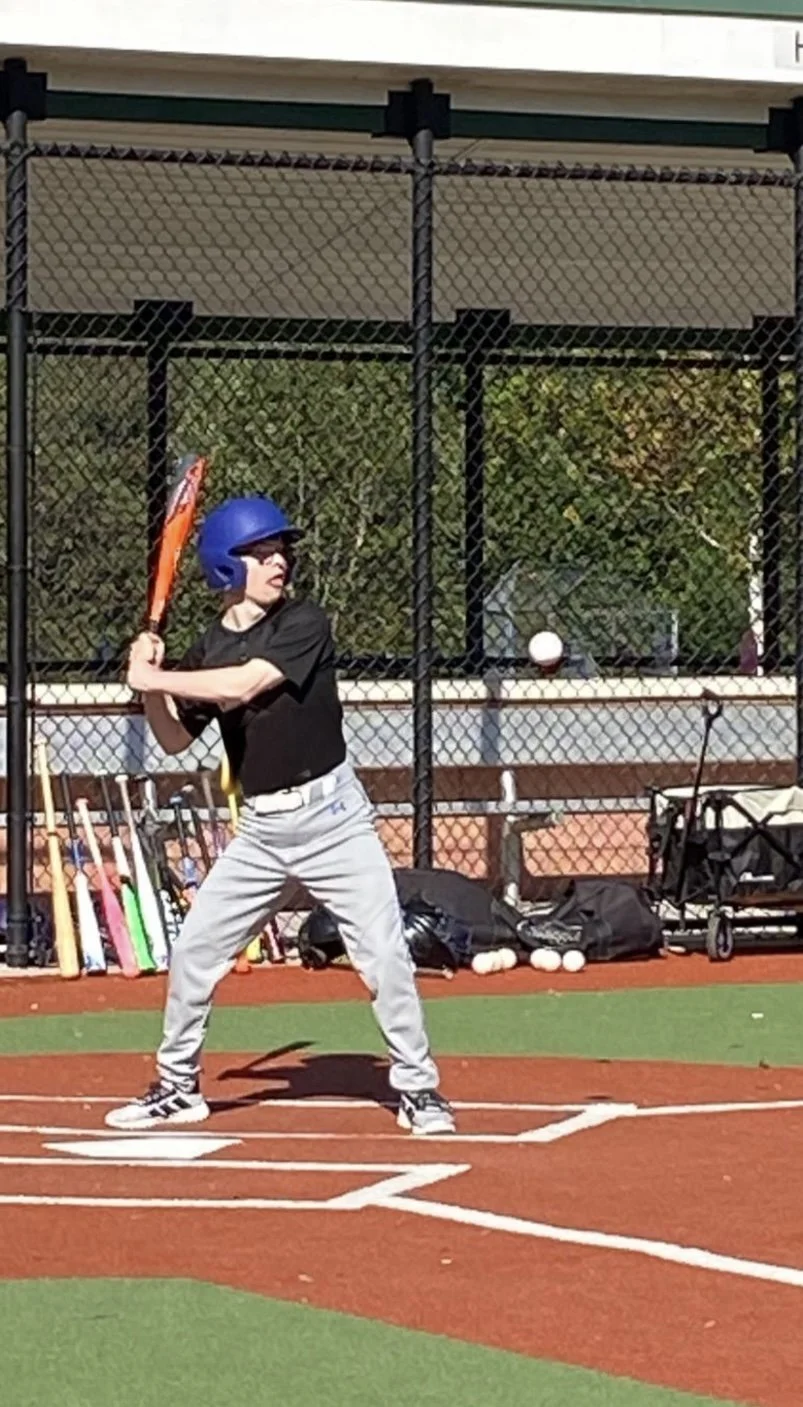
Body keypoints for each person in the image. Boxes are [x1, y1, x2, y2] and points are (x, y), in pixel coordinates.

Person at [105, 495, 455, 1136]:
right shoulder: (210, 644)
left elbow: (244, 685)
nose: (279, 561)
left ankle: (418, 1087)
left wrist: (158, 681)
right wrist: (147, 683)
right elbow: (176, 739)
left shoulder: (304, 623)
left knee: (382, 954)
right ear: (224, 568)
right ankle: (177, 1086)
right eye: (261, 553)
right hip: (262, 832)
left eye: (281, 550)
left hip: (335, 822)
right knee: (194, 952)